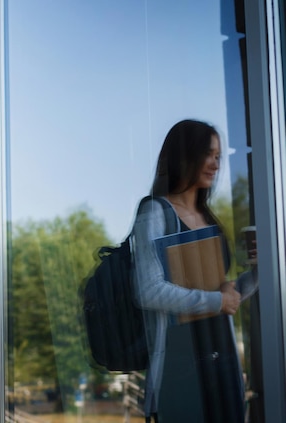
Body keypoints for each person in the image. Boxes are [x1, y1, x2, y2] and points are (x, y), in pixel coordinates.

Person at [131, 119, 245, 422]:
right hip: (179, 370)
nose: (215, 164)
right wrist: (217, 301)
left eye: (219, 157)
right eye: (208, 154)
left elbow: (223, 294)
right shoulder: (155, 213)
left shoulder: (208, 218)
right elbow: (148, 290)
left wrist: (260, 271)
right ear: (185, 155)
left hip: (222, 359)